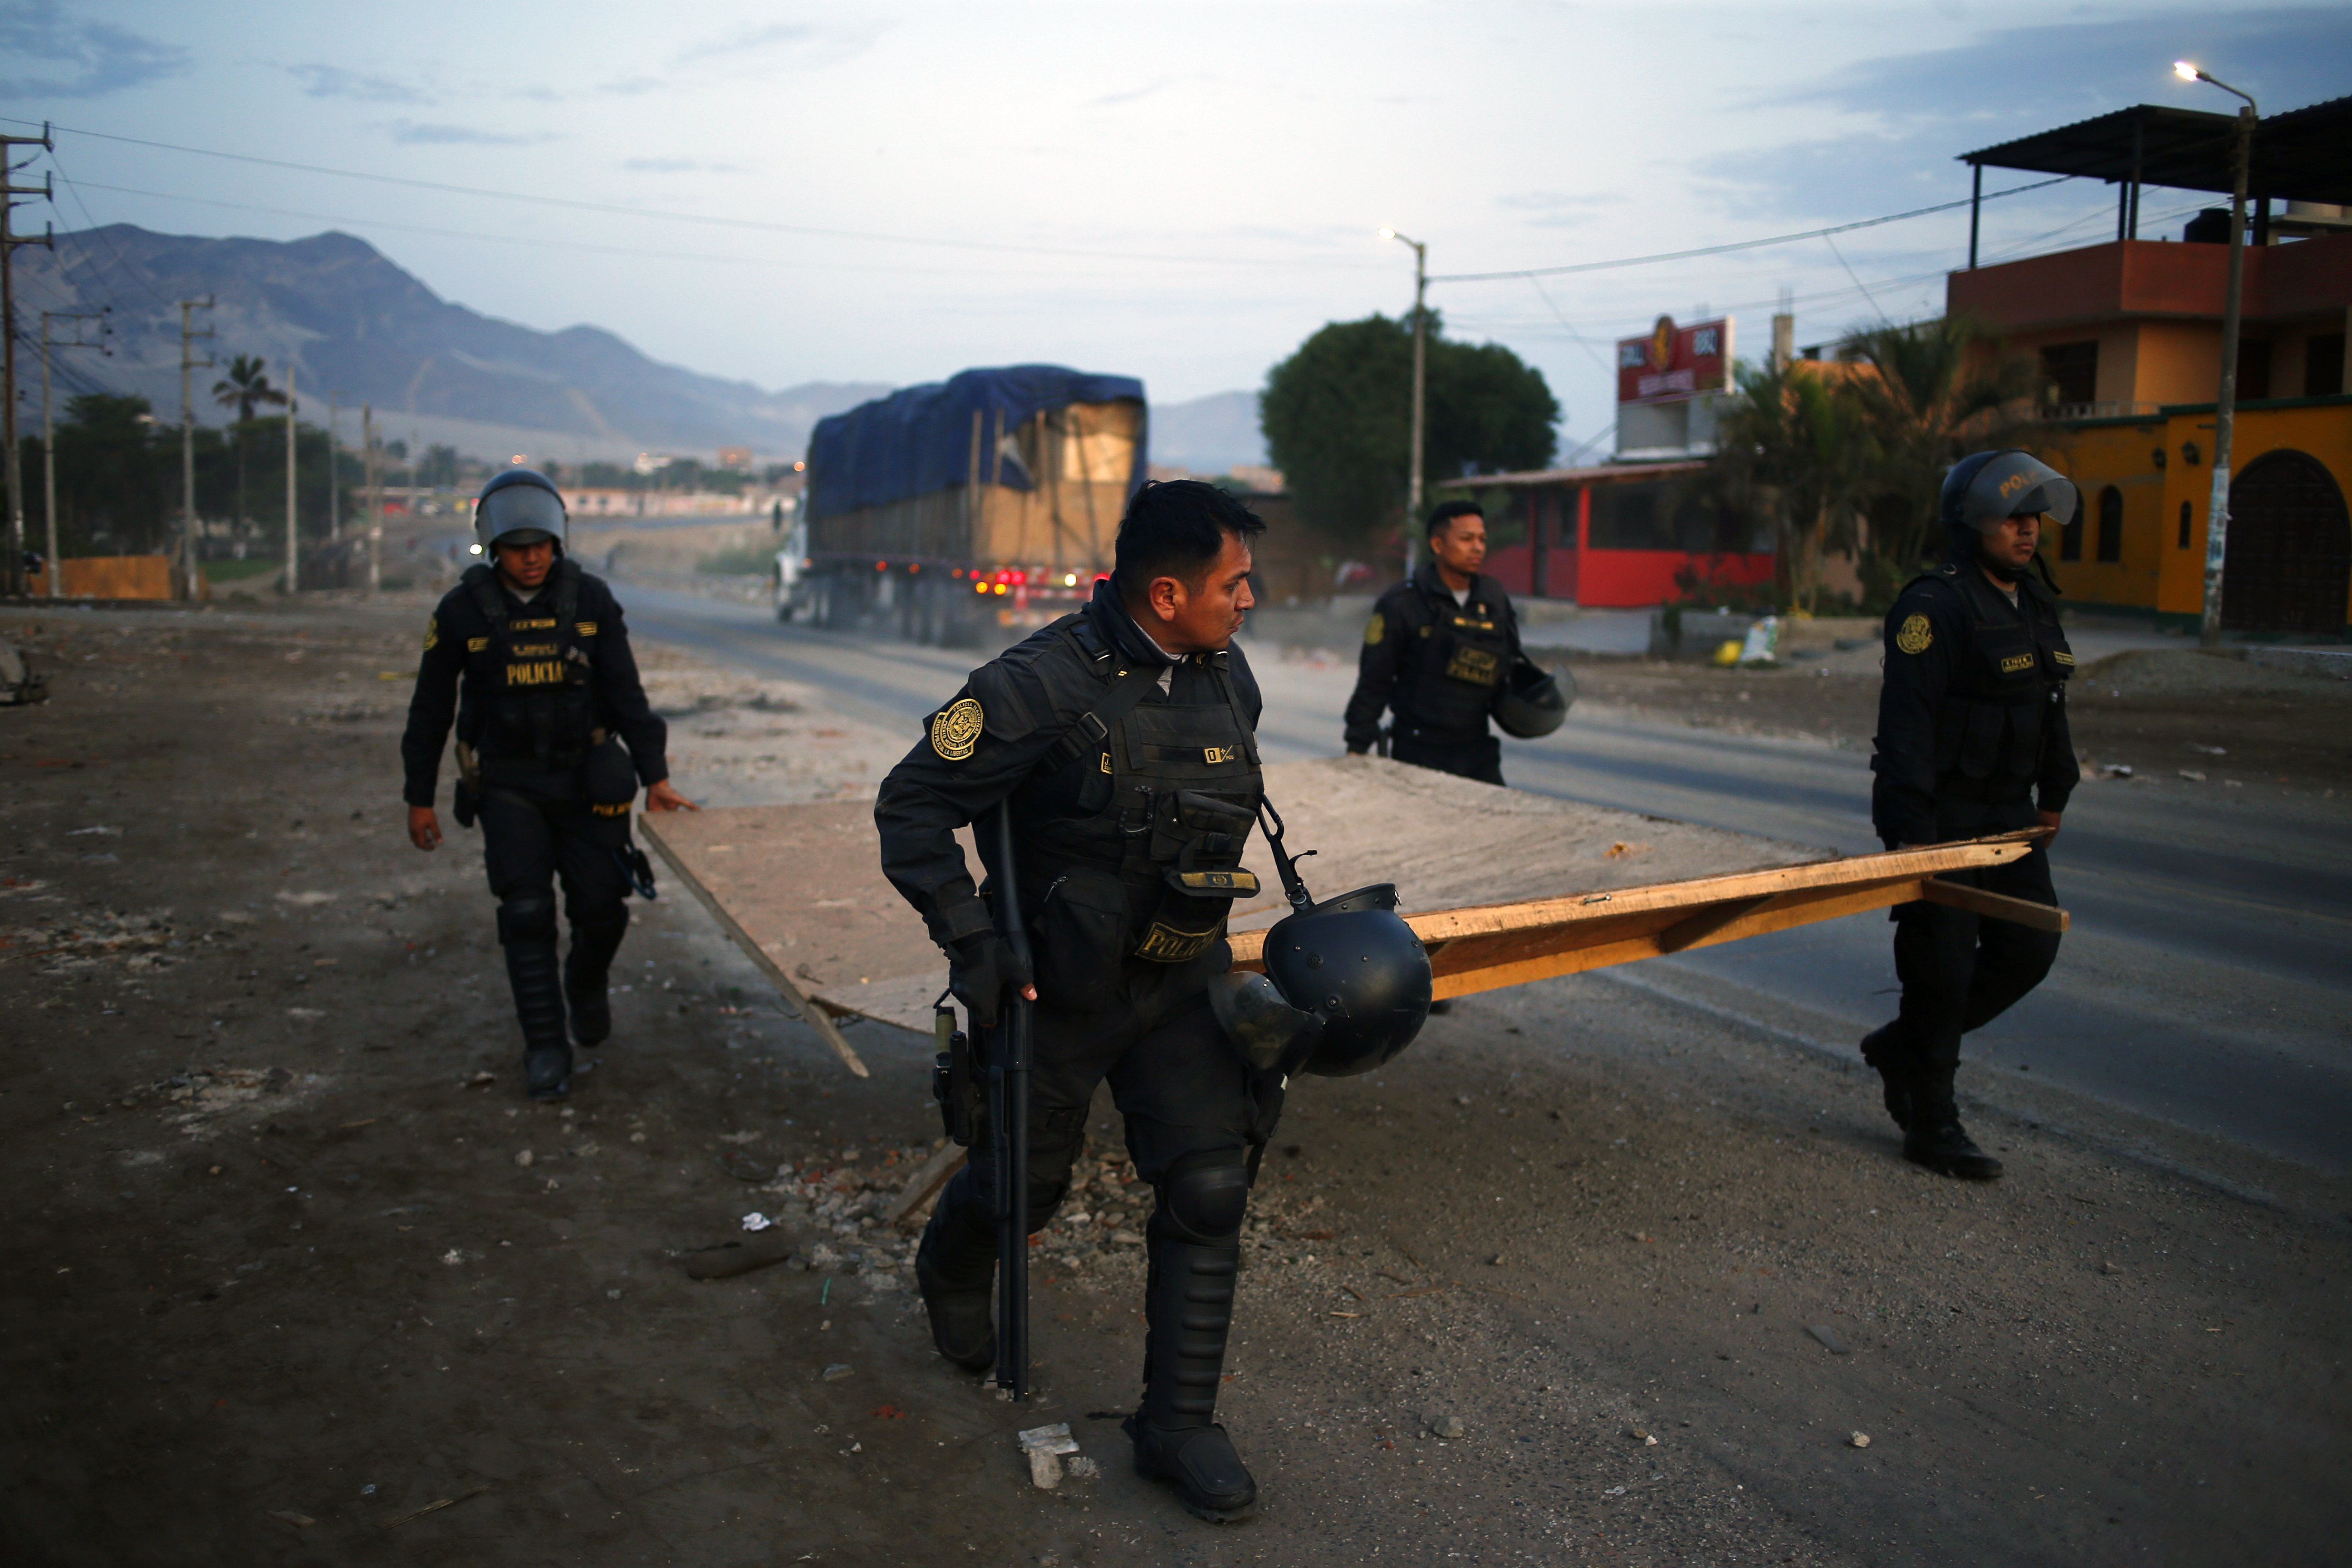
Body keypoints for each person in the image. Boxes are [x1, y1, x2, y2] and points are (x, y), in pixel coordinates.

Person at [875, 480, 1276, 1523]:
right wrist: (972, 941)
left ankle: (1177, 1424)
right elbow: (911, 805)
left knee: (1208, 1187)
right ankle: (951, 1262)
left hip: (1179, 980)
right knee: (1024, 1191)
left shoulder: (1227, 676)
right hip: (1058, 991)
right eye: (1234, 583)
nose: (1249, 600)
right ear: (1166, 592)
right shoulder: (1033, 686)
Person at [400, 468, 695, 1100]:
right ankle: (545, 1046)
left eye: (540, 545)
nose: (530, 558)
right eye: (516, 547)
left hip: (587, 781)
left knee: (603, 910)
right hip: (509, 784)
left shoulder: (590, 601)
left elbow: (627, 694)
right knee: (527, 913)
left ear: (557, 541)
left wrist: (656, 776)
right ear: (494, 547)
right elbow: (430, 711)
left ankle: (585, 985)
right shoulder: (460, 612)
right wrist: (418, 797)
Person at [1863, 450, 2079, 1180]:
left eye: (2034, 518)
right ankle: (1933, 1123)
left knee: (2029, 950)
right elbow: (1906, 730)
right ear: (1972, 521)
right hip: (1944, 818)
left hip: (2011, 818)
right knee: (1943, 970)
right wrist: (1910, 836)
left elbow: (2052, 709)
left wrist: (2055, 794)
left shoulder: (2034, 602)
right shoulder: (1933, 607)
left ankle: (1902, 1046)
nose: (2028, 531)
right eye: (2012, 518)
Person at [1343, 500, 1523, 784]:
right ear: (1438, 545)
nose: (1477, 548)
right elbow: (1375, 678)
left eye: (1482, 539)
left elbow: (1510, 665)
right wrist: (1358, 745)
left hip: (1478, 750)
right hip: (1419, 751)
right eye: (1466, 539)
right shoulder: (1403, 603)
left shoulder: (1494, 599)